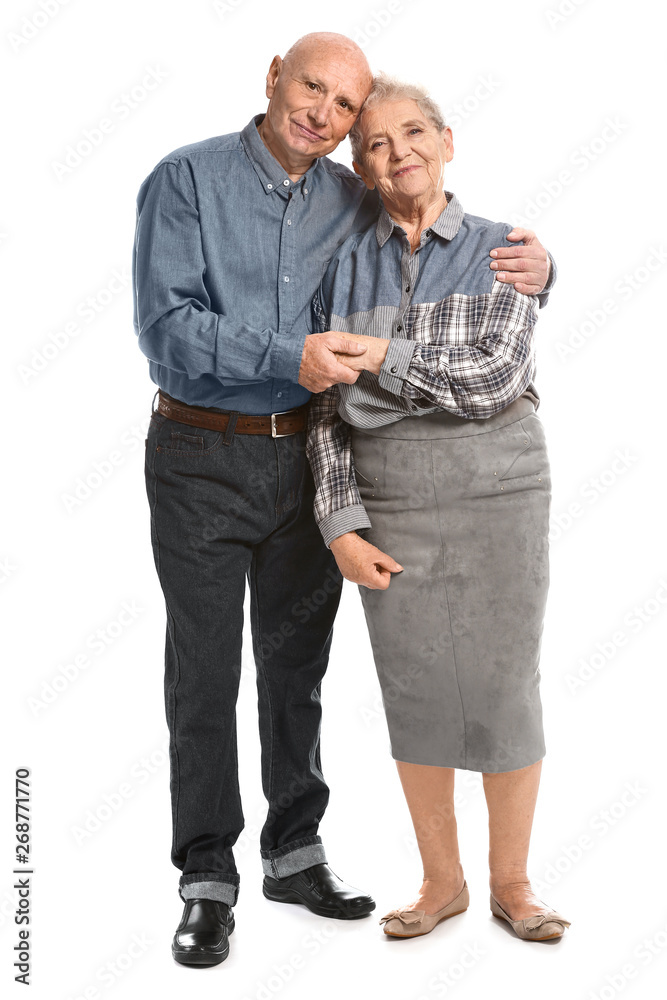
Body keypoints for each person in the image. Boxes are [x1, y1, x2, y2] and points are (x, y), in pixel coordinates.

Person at [133, 34, 555, 966]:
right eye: (312, 89)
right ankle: (207, 877)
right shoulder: (186, 179)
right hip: (201, 452)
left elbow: (442, 237)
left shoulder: (352, 198)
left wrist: (544, 267)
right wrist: (291, 359)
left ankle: (293, 852)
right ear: (273, 79)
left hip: (304, 463)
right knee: (203, 674)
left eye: (344, 107)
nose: (323, 114)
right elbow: (165, 327)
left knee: (297, 674)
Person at [306, 73, 570, 943]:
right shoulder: (338, 264)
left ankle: (513, 884)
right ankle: (440, 882)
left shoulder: (506, 248)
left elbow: (494, 378)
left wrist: (378, 356)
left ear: (447, 141)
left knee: (503, 686)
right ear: (360, 167)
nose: (399, 152)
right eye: (376, 144)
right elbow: (323, 406)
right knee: (412, 686)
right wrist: (339, 522)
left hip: (499, 487)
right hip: (387, 497)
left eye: (414, 133)